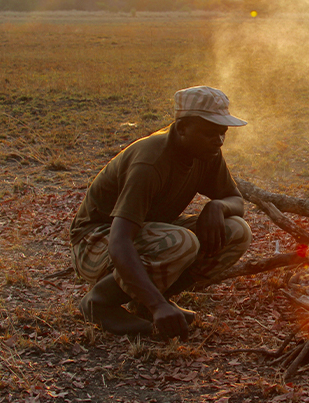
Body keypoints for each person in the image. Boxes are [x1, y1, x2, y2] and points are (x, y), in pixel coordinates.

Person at [70, 86, 252, 340]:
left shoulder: (207, 152)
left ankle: (149, 298)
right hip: (94, 242)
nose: (219, 141)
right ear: (181, 128)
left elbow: (235, 199)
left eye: (223, 133)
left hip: (142, 233)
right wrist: (159, 307)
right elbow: (118, 241)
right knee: (181, 242)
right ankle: (99, 303)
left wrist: (217, 206)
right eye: (210, 132)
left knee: (237, 231)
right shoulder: (151, 161)